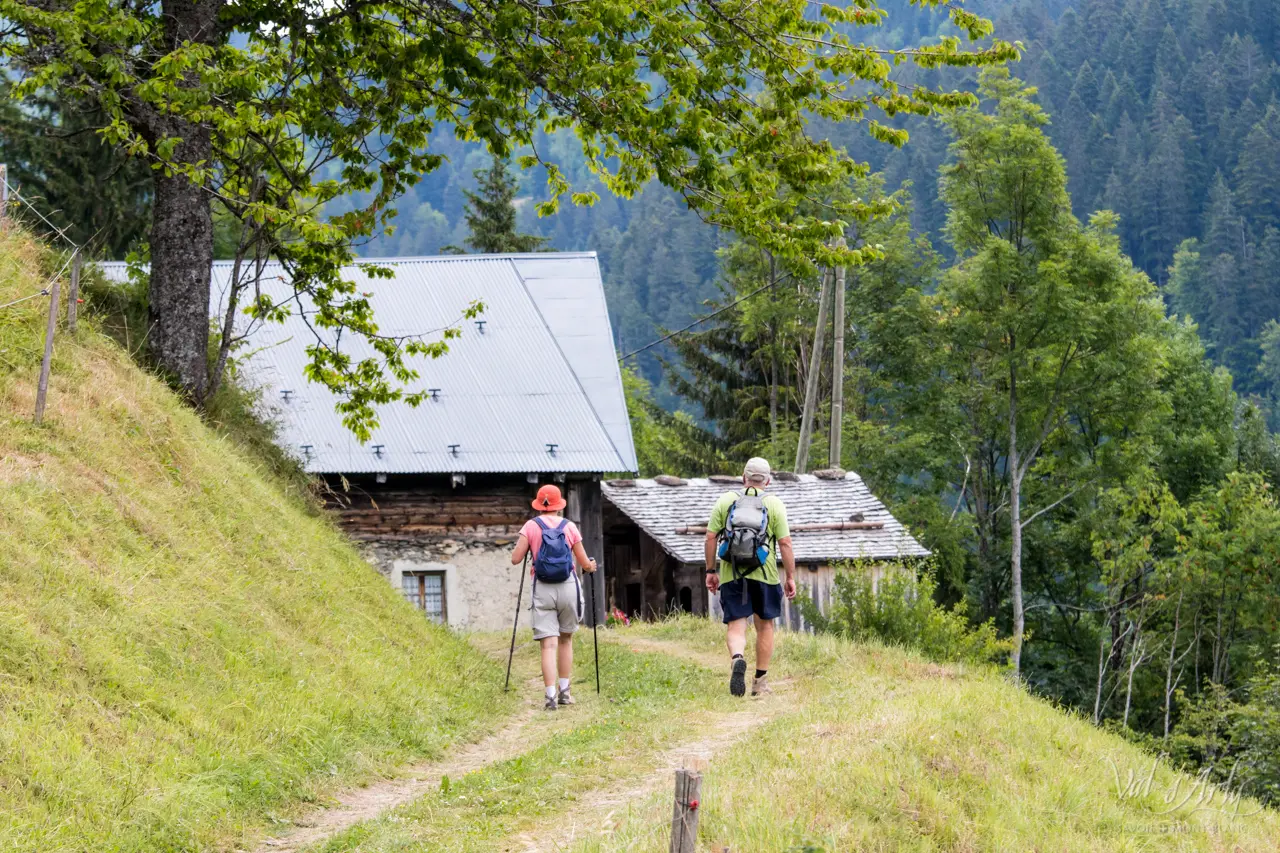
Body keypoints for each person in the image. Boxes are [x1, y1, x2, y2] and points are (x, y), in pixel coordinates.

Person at [705, 457, 796, 697]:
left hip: (731, 573)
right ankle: (760, 683)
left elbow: (711, 537)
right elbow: (785, 543)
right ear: (768, 480)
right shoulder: (774, 504)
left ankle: (737, 658)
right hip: (765, 574)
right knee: (764, 626)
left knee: (737, 624)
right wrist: (790, 577)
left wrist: (711, 571)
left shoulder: (726, 500)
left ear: (743, 477)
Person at [510, 484, 597, 711]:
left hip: (542, 588)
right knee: (565, 639)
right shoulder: (569, 527)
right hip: (568, 587)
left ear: (539, 505)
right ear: (559, 505)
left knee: (548, 645)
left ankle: (549, 696)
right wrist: (591, 566)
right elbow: (584, 562)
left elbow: (516, 559)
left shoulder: (530, 526)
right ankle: (565, 692)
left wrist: (528, 546)